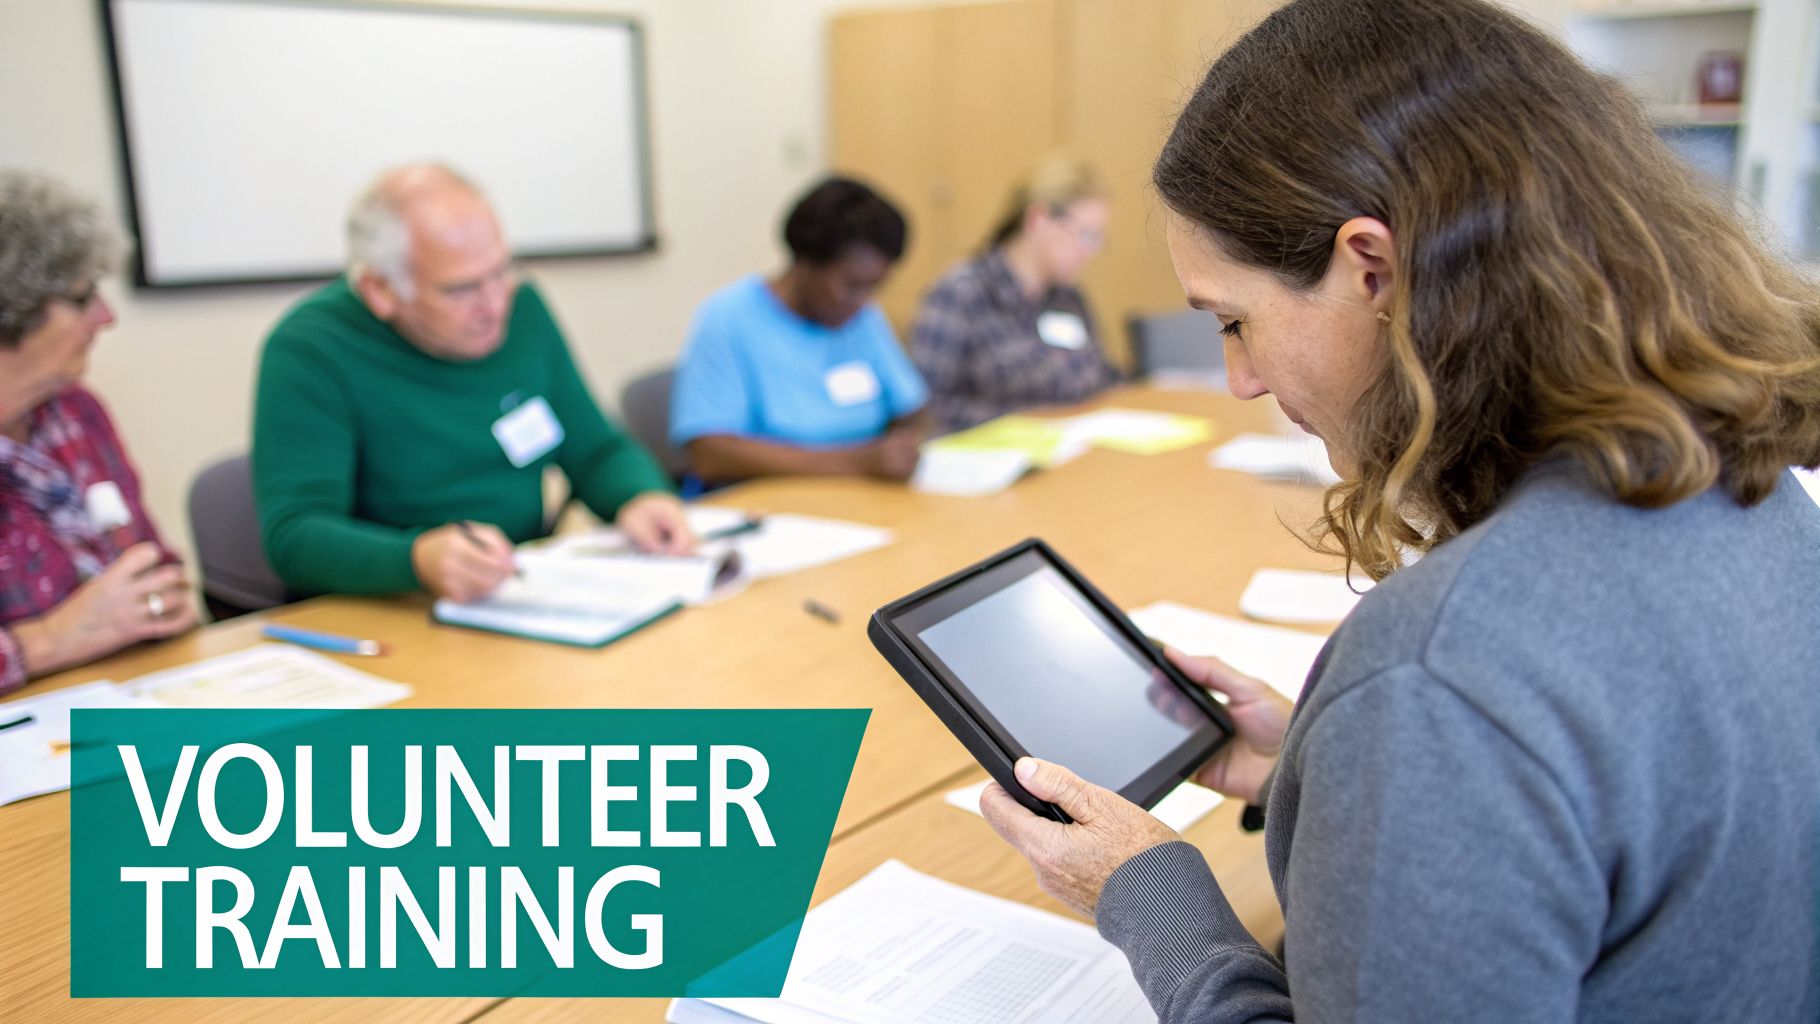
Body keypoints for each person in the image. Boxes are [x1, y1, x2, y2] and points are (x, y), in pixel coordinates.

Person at [978, 0, 1820, 1019]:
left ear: (1370, 270)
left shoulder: (1437, 677)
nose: (1238, 378)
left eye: (1236, 322)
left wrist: (1149, 895)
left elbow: (1483, 717)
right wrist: (1325, 773)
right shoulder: (1749, 491)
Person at [253, 165, 691, 603]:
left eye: (501, 272)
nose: (495, 304)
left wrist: (640, 497)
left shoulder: (524, 310)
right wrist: (417, 560)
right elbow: (295, 535)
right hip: (393, 609)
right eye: (461, 290)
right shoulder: (311, 349)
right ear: (379, 291)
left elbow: (595, 450)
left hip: (513, 595)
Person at [0, 171, 197, 694]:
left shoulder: (74, 414)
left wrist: (160, 602)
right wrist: (48, 641)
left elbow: (154, 565)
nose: (105, 318)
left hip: (131, 697)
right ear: (10, 308)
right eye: (84, 297)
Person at [669, 176, 928, 485]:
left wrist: (900, 448)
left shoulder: (862, 317)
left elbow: (910, 406)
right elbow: (710, 454)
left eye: (875, 287)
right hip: (767, 506)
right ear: (804, 263)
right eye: (852, 285)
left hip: (858, 497)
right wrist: (855, 461)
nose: (862, 301)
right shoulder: (728, 318)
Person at [911, 155, 1120, 434]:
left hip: (1074, 449)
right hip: (992, 461)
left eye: (1097, 238)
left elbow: (1103, 376)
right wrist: (1033, 422)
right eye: (1086, 235)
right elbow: (930, 410)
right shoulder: (960, 294)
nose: (1091, 251)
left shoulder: (1068, 297)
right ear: (1039, 220)